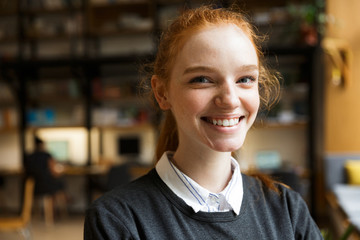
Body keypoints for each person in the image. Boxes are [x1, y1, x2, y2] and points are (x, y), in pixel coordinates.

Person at [84, 5, 323, 239]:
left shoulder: (288, 209)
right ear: (162, 92)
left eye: (245, 79)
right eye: (202, 79)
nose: (230, 100)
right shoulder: (118, 220)